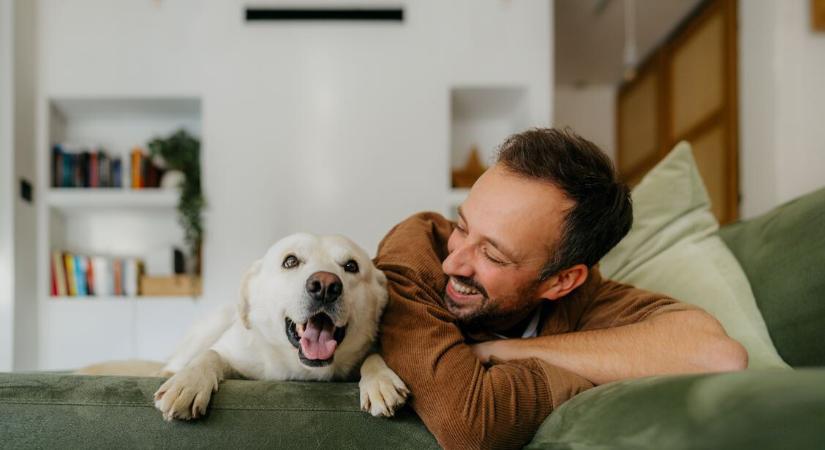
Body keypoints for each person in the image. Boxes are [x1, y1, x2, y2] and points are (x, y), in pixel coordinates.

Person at [374, 128, 747, 450]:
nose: (452, 263)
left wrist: (501, 351)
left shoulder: (587, 299)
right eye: (462, 226)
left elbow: (719, 357)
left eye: (493, 255)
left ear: (561, 281)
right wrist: (581, 375)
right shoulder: (416, 249)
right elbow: (469, 424)